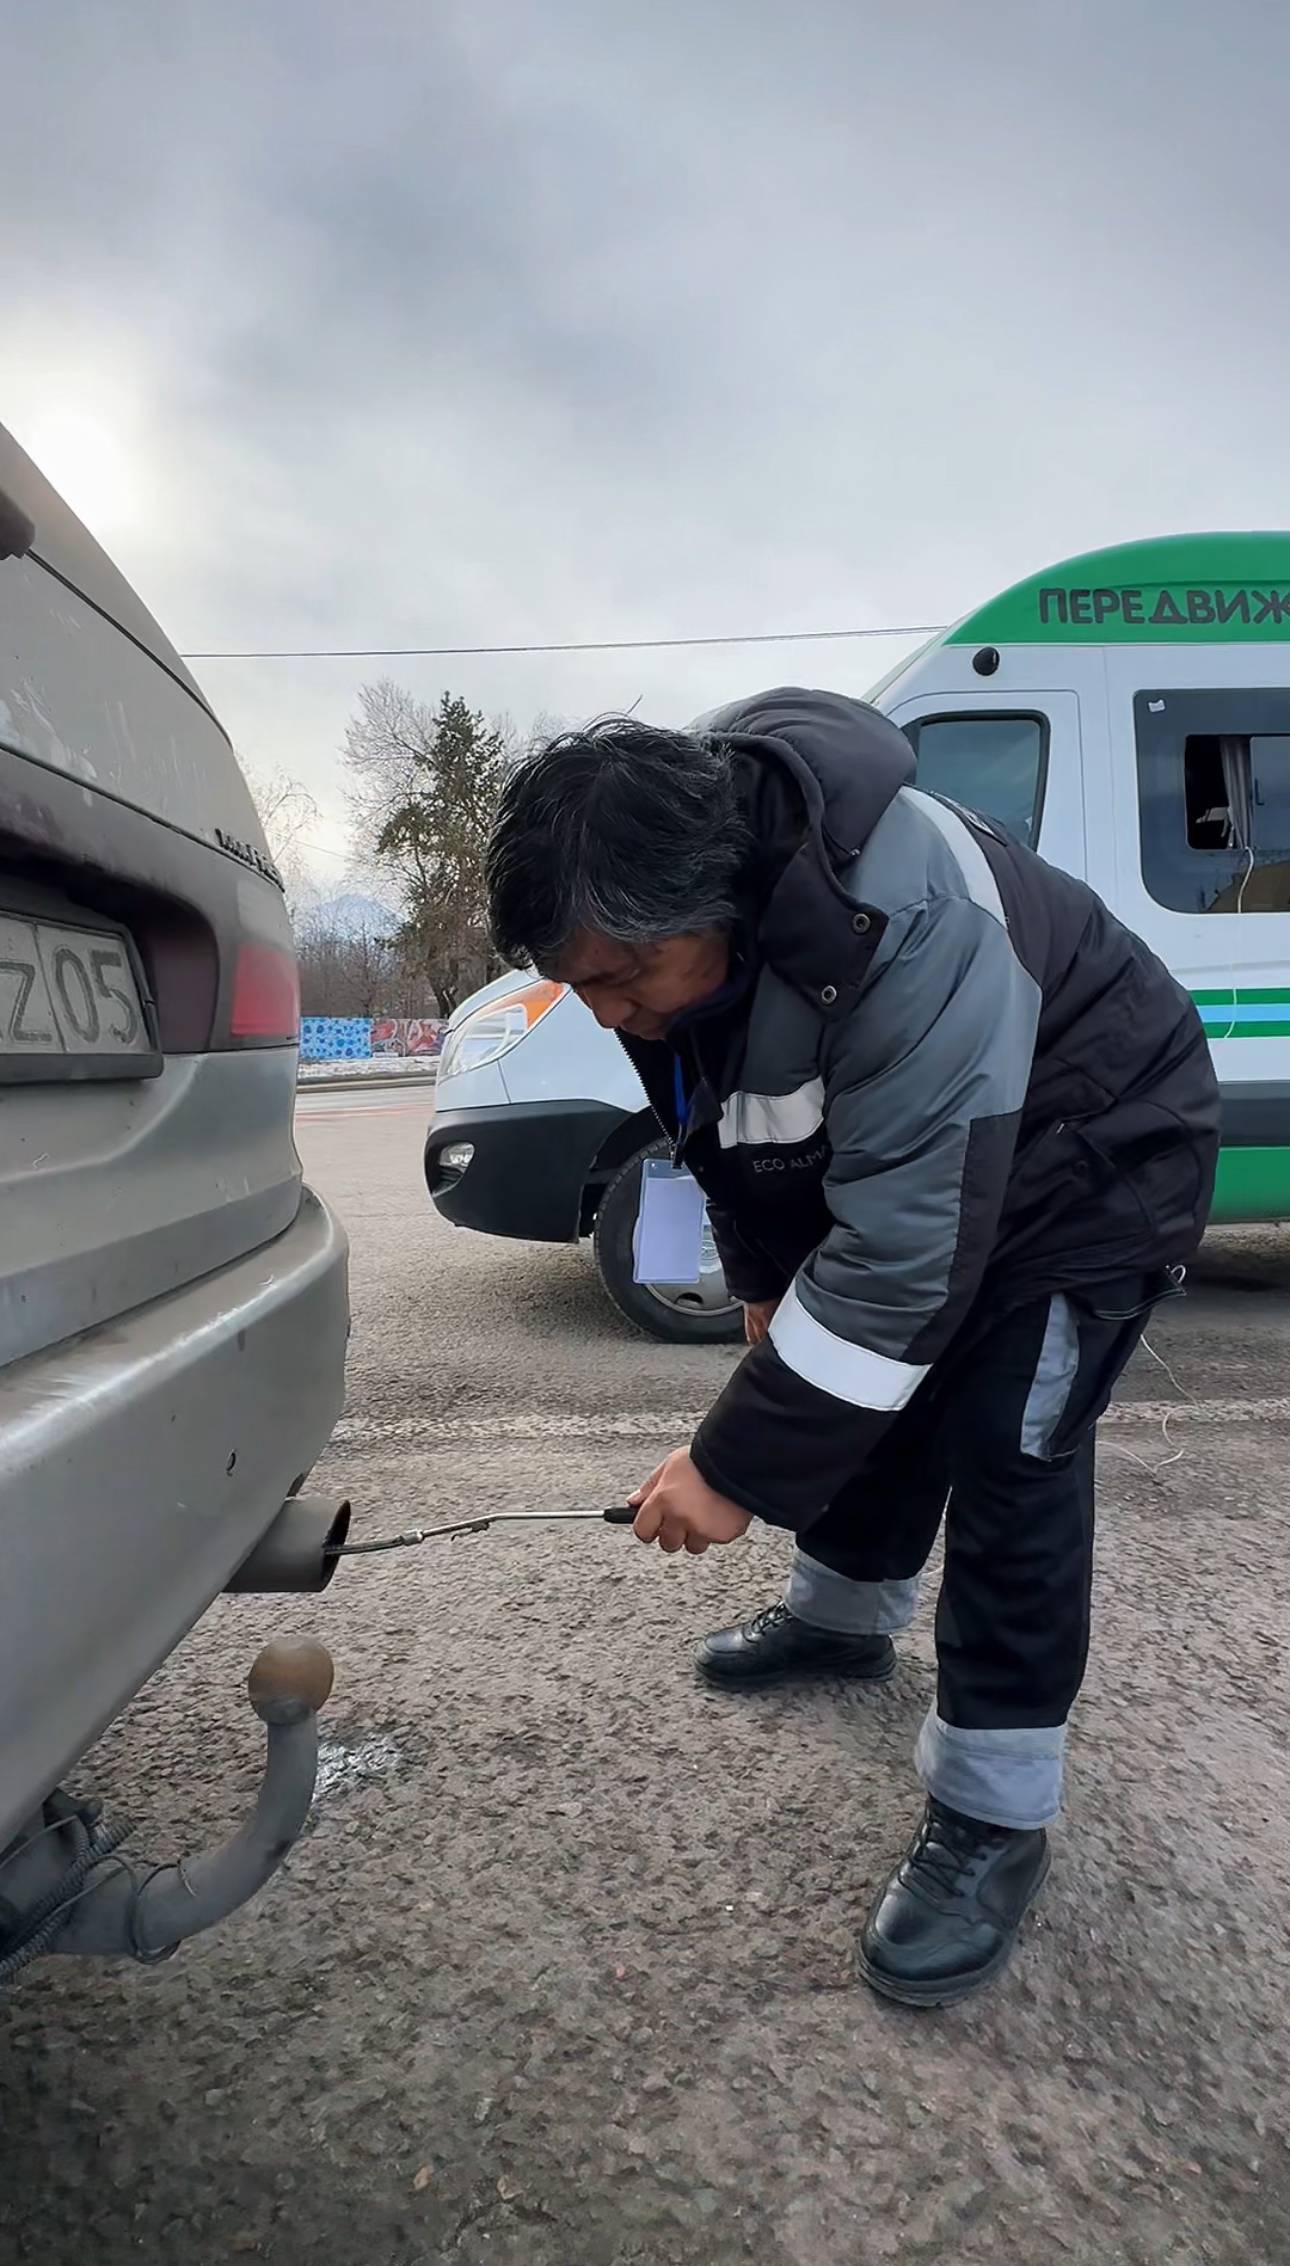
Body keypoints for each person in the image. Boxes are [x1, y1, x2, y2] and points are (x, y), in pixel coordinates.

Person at [486, 690, 1220, 2006]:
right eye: (575, 985)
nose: (604, 1015)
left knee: (1006, 1439)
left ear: (710, 910)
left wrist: (730, 1466)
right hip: (931, 1158)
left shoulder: (912, 914)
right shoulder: (681, 938)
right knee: (850, 1377)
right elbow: (726, 1131)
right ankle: (839, 1620)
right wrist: (766, 1287)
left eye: (616, 980)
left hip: (1090, 1146)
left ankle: (992, 1814)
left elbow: (899, 1266)